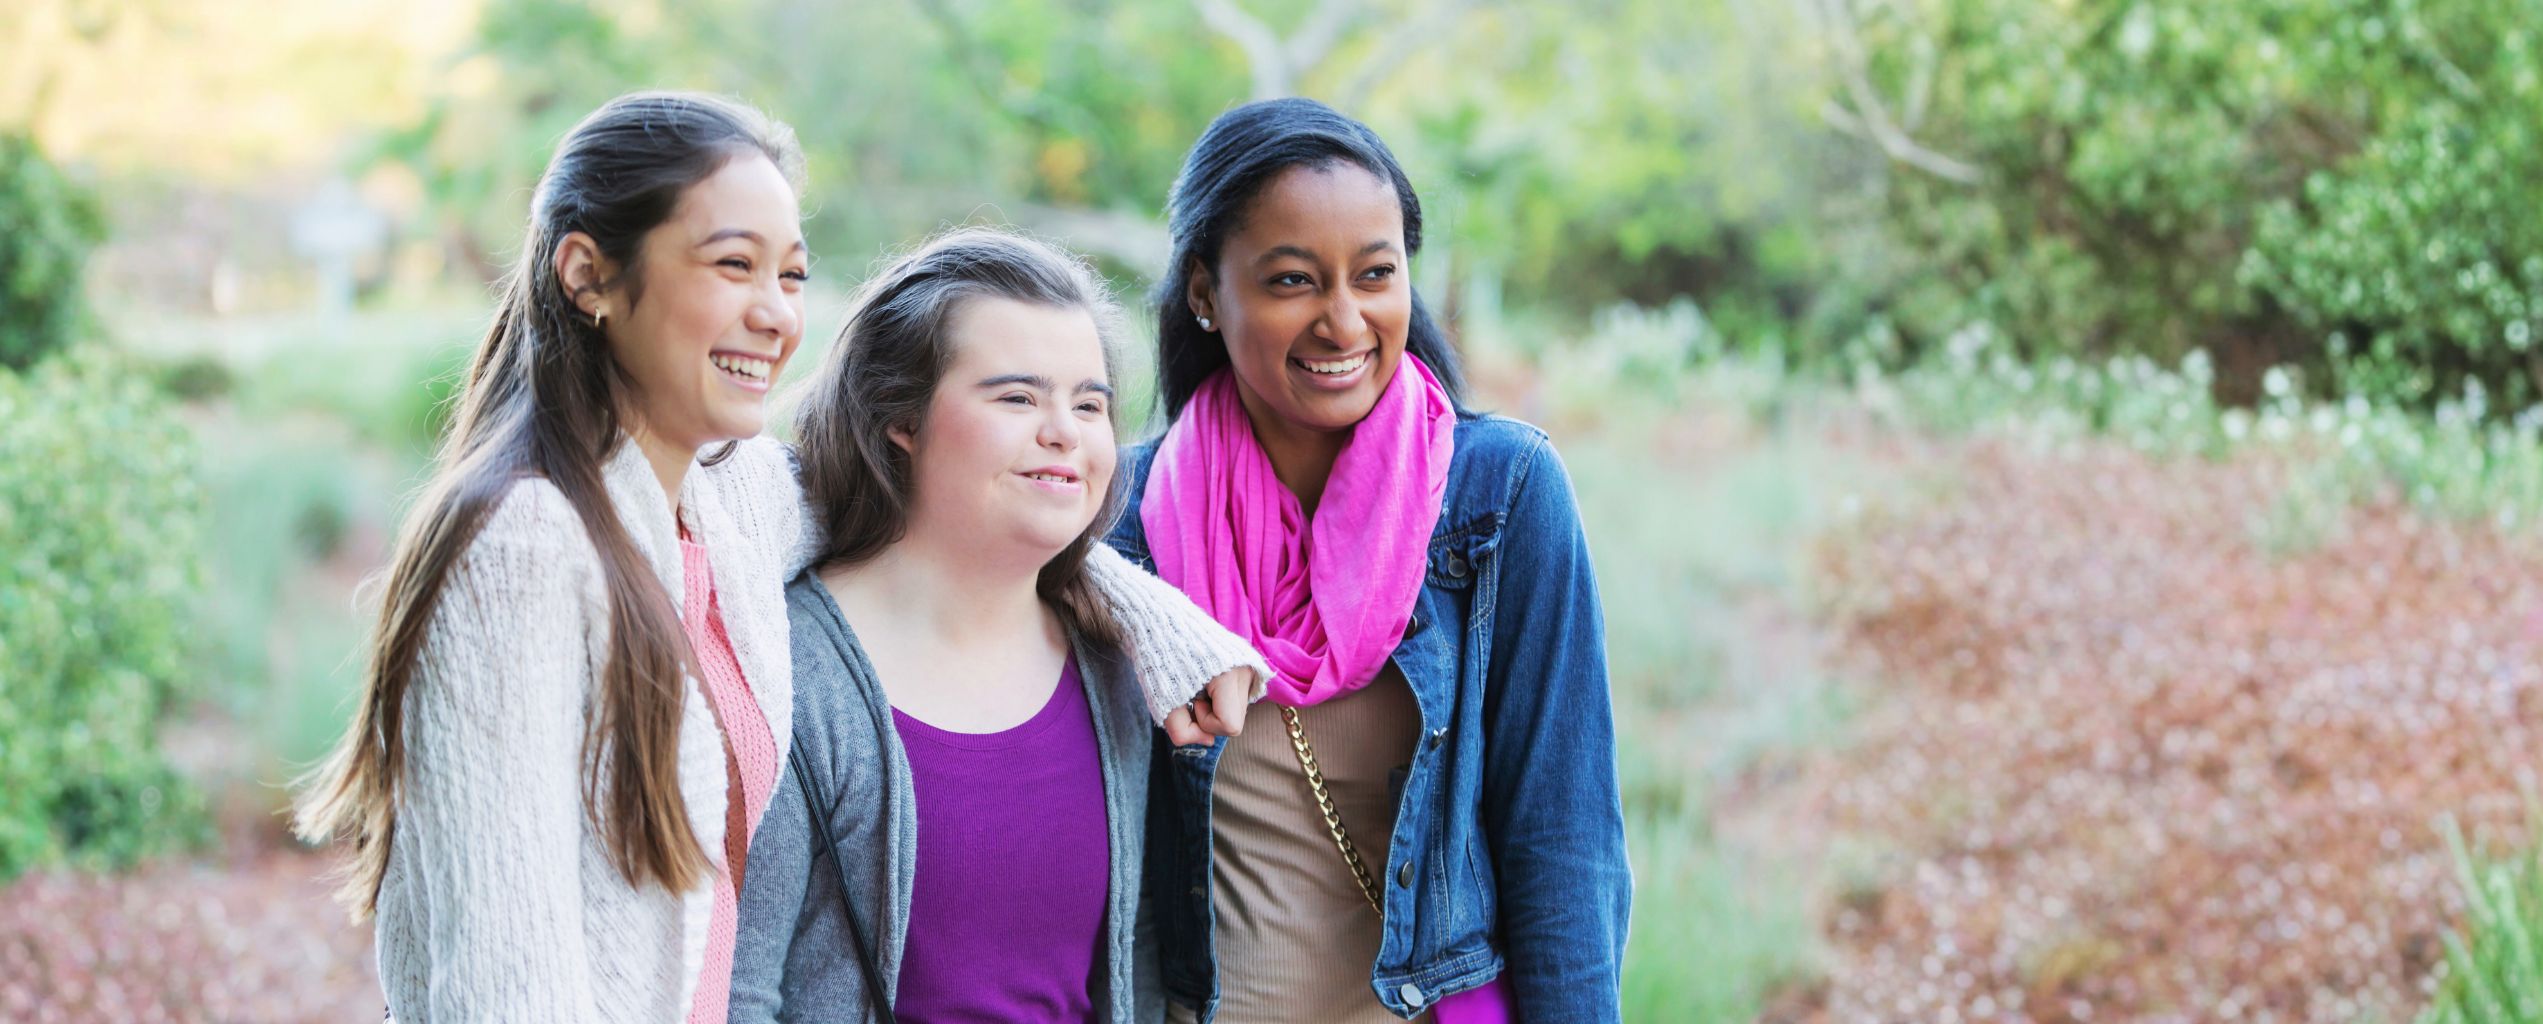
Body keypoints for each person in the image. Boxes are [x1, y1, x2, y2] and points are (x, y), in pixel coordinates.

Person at [294, 93, 1257, 1023]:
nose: (774, 315)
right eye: (731, 265)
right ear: (586, 274)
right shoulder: (524, 546)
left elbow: (968, 511)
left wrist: (1151, 618)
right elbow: (503, 985)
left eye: (790, 276)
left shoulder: (723, 500)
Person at [1112, 98, 1632, 1023]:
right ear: (1203, 291)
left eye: (1376, 274)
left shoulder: (1499, 496)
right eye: (1291, 282)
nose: (1344, 322)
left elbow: (1563, 839)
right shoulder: (1125, 528)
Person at [732, 227, 1264, 1022]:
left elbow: (1137, 961)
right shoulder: (787, 670)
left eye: (1089, 403)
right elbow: (738, 991)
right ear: (899, 418)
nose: (1065, 432)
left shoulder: (1118, 670)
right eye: (1017, 397)